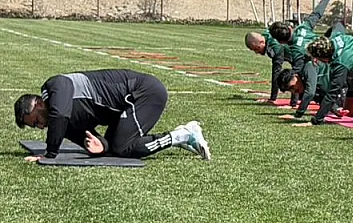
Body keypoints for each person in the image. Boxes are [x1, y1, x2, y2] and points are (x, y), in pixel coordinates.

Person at [15, 69, 210, 161]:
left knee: (122, 147)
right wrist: (101, 147)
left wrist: (50, 154)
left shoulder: (56, 85)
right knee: (115, 148)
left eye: (36, 121)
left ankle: (184, 134)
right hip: (127, 107)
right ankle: (179, 137)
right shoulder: (64, 121)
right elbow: (98, 142)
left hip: (145, 93)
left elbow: (59, 115)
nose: (40, 127)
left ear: (39, 103)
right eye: (35, 127)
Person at [269, 0, 331, 115]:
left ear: (281, 42)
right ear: (289, 28)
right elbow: (316, 15)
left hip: (331, 66)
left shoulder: (296, 52)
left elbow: (294, 77)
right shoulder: (303, 28)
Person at [243, 29, 291, 103]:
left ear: (261, 42)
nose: (257, 52)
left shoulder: (275, 47)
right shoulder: (267, 36)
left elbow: (276, 73)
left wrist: (272, 98)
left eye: (257, 48)